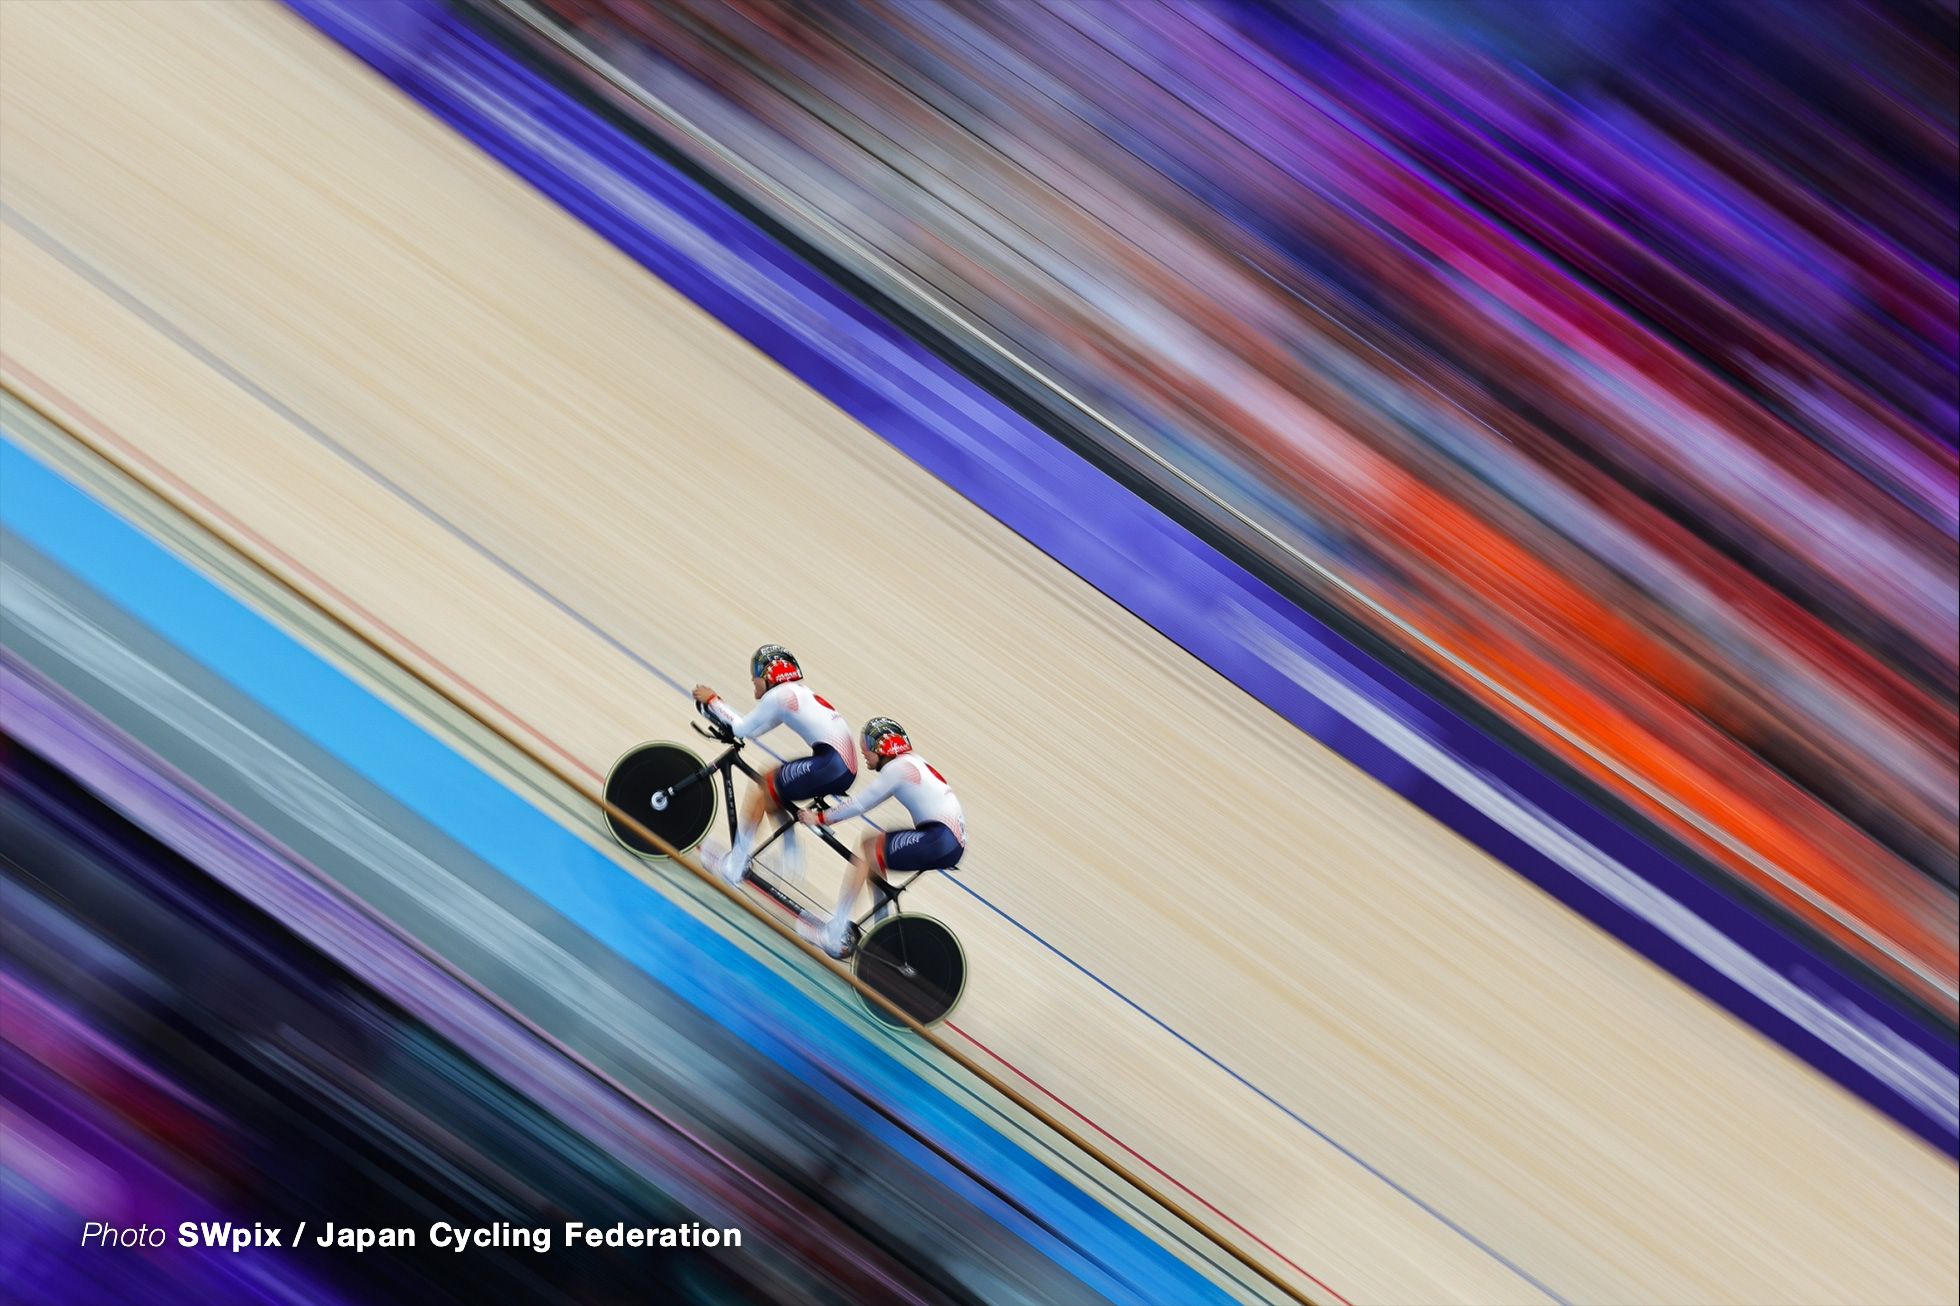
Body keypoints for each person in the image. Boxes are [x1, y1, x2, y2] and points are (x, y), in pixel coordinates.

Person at [795, 717, 964, 958]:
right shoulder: (910, 763)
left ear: (884, 748)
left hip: (940, 839)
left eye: (868, 747)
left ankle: (836, 929)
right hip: (943, 838)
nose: (863, 752)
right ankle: (882, 929)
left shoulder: (899, 768)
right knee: (870, 847)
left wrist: (820, 818)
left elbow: (861, 803)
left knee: (872, 849)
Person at [692, 645, 857, 886]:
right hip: (835, 764)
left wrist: (713, 700)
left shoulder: (780, 696)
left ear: (771, 676)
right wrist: (721, 711)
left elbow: (741, 728)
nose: (752, 679)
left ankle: (734, 866)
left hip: (832, 764)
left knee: (763, 790)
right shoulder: (790, 695)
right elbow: (753, 730)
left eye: (756, 673)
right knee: (770, 780)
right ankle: (792, 859)